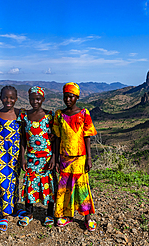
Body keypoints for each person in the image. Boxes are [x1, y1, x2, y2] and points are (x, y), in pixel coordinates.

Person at [53, 82, 97, 232]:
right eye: (66, 96)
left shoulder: (84, 113)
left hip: (80, 157)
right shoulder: (59, 115)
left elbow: (87, 136)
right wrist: (57, 158)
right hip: (64, 157)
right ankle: (66, 215)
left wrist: (89, 158)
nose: (68, 99)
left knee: (81, 187)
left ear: (77, 97)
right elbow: (57, 138)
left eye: (71, 96)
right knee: (64, 187)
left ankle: (87, 217)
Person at [17, 86, 56, 227]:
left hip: (46, 158)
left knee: (49, 186)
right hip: (31, 158)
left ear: (43, 99)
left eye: (38, 99)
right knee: (30, 185)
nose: (35, 101)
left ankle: (49, 214)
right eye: (32, 99)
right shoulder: (24, 116)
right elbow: (22, 139)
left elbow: (55, 137)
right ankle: (29, 213)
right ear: (29, 99)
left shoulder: (49, 115)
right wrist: (23, 158)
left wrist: (53, 158)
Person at [0, 85, 26, 232]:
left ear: (16, 99)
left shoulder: (21, 114)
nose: (8, 100)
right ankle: (4, 214)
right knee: (3, 182)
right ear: (0, 97)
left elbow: (24, 135)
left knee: (14, 181)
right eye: (5, 97)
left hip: (16, 154)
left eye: (11, 98)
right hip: (0, 153)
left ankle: (14, 208)